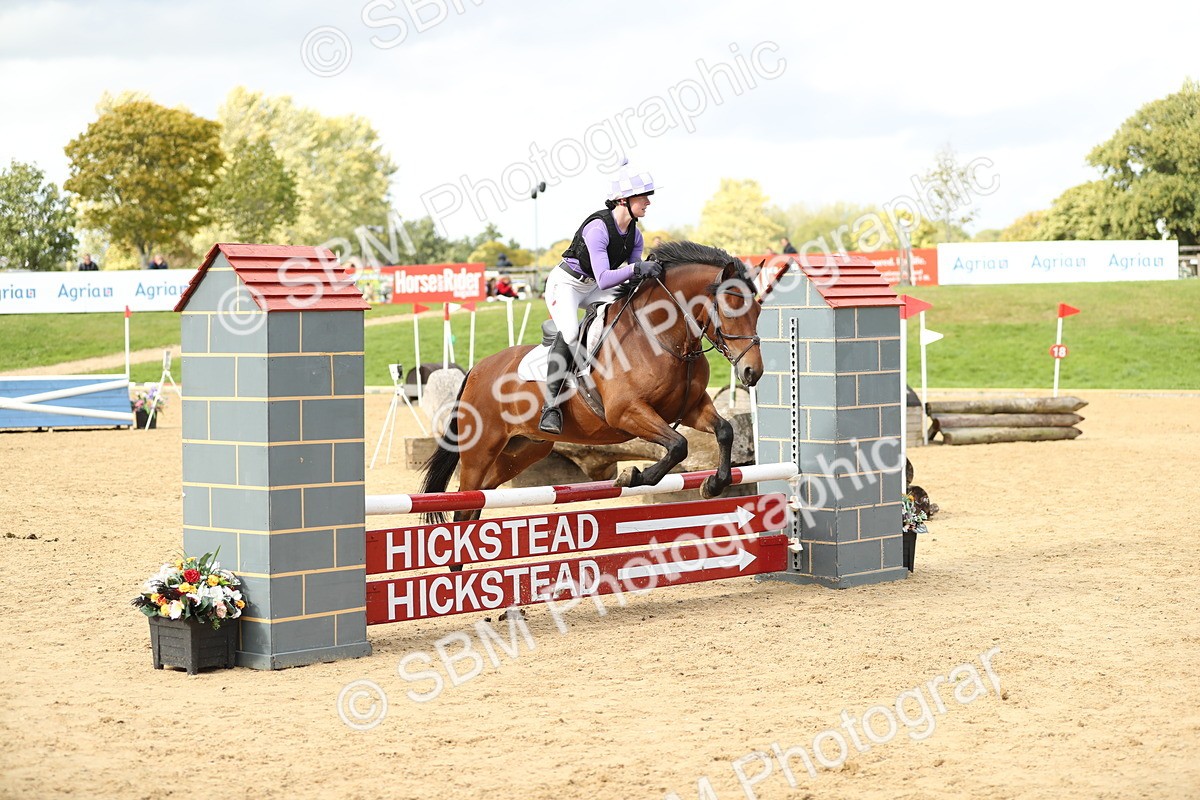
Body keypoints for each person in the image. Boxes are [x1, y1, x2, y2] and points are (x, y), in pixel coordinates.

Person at [537, 161, 661, 435]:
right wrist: (636, 268)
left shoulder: (635, 235)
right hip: (566, 284)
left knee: (626, 307)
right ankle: (550, 406)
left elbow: (631, 277)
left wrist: (650, 270)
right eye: (643, 196)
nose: (648, 202)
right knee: (570, 332)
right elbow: (606, 277)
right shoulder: (598, 228)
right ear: (623, 200)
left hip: (592, 286)